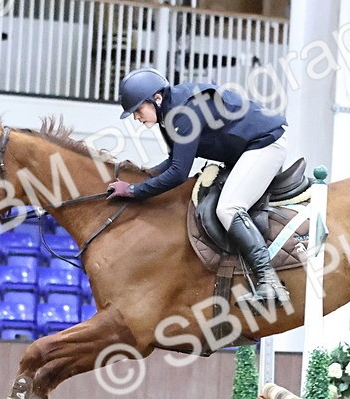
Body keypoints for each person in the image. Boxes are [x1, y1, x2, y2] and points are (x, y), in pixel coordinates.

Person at [109, 67, 291, 306]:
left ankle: (269, 281)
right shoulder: (170, 113)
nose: (136, 117)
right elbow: (175, 160)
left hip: (266, 142)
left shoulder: (183, 114)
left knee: (228, 208)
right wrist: (143, 178)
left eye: (138, 110)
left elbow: (178, 173)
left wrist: (134, 191)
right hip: (245, 149)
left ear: (157, 98)